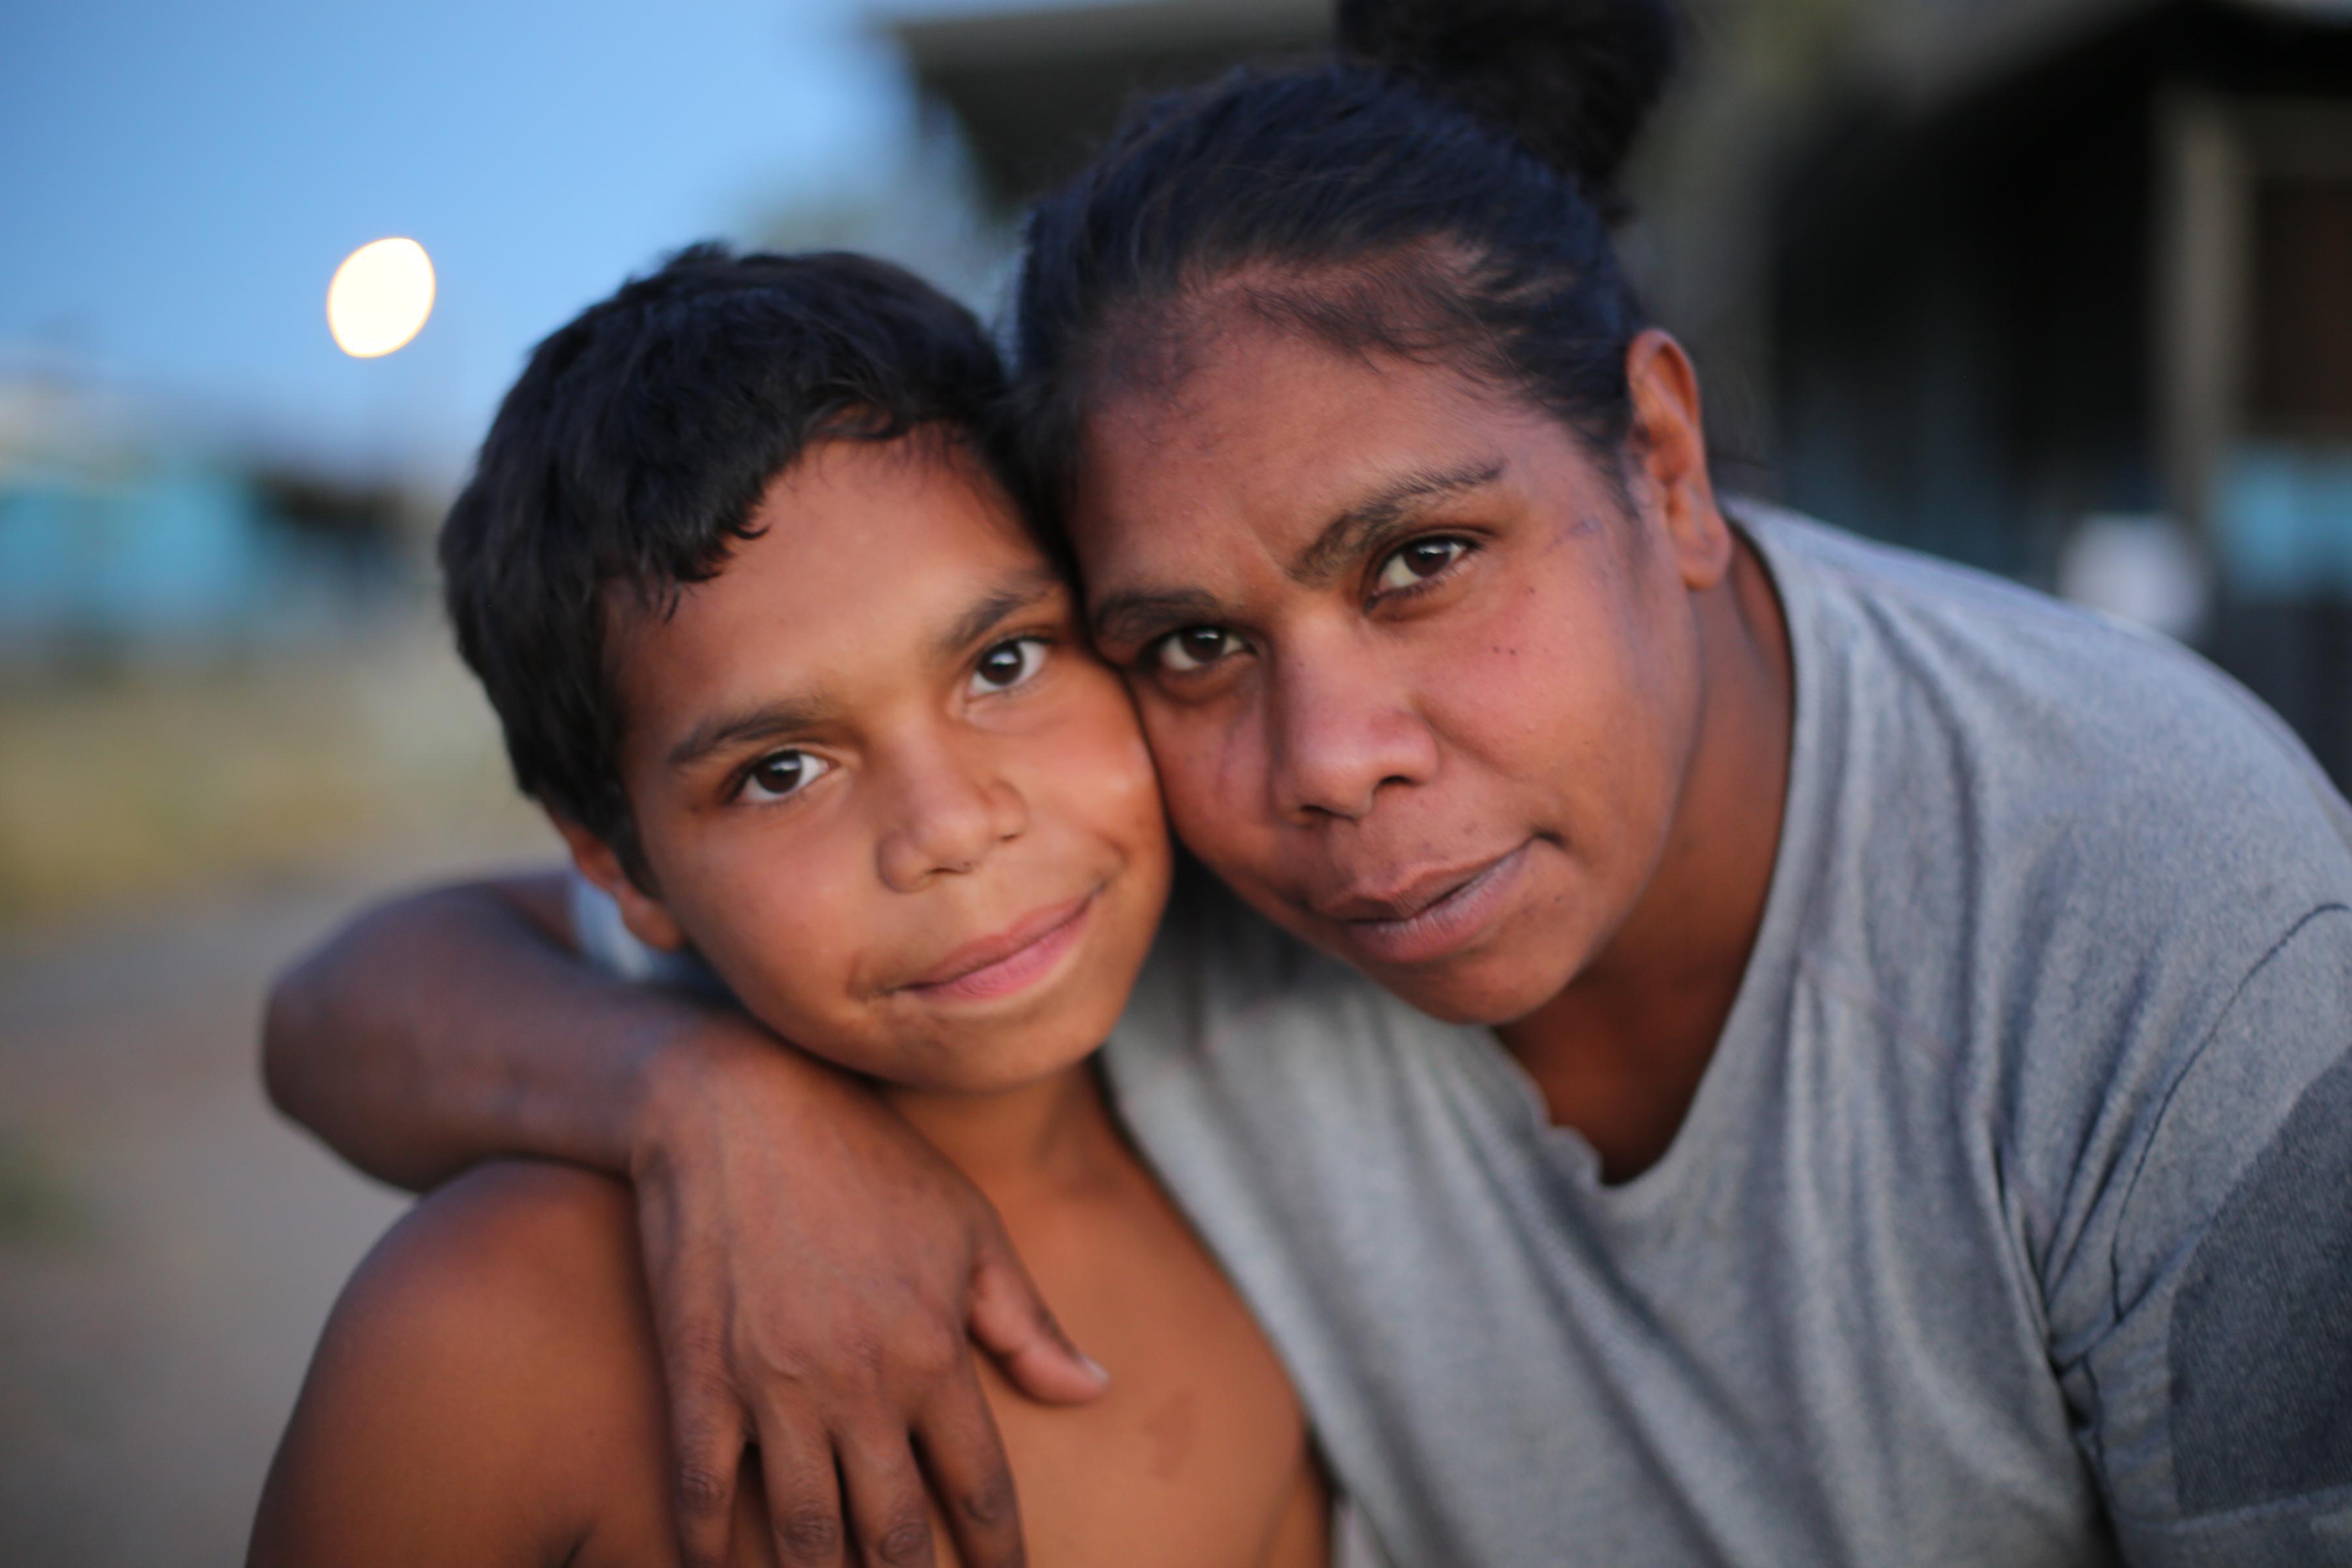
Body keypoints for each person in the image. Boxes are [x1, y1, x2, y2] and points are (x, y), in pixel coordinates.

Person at [265, 0, 2352, 1563]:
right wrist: (693, 1101)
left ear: (1668, 462)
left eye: (1426, 560)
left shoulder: (2158, 911)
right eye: (1184, 639)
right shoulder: (1116, 873)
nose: (1330, 761)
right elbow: (351, 1001)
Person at [248, 247, 1378, 1568]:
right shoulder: (494, 1327)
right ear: (621, 869)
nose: (948, 827)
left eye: (1002, 663)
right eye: (779, 771)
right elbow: (323, 1005)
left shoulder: (1272, 1222)